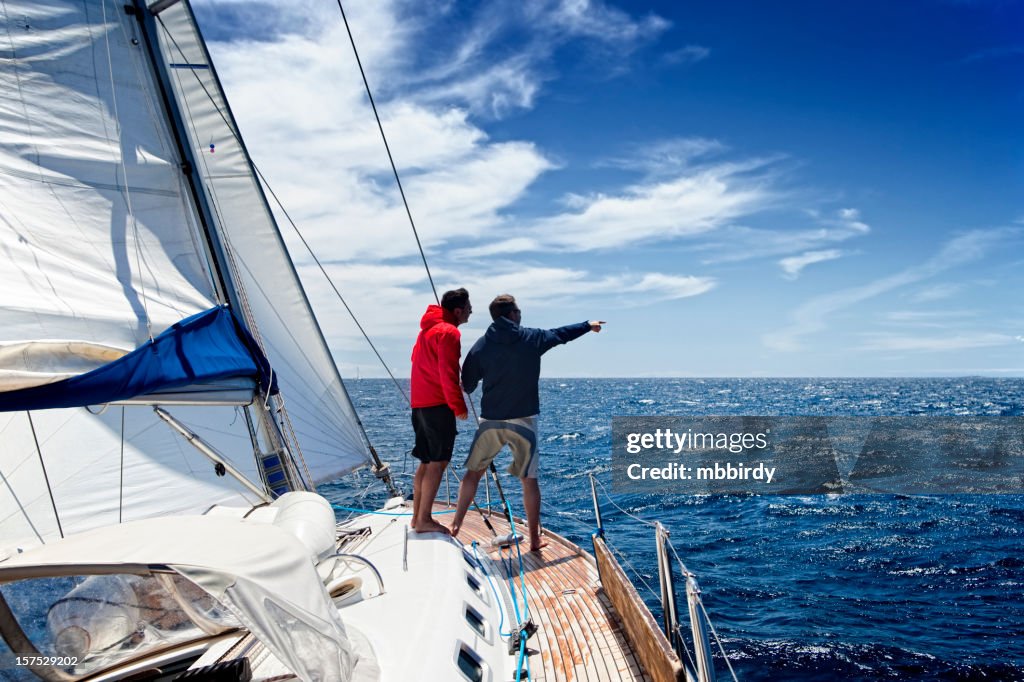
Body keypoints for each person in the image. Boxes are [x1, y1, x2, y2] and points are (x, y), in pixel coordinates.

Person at [449, 294, 603, 551]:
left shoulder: (481, 346)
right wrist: (587, 325)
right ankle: (533, 540)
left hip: (491, 421)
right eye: (518, 311)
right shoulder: (531, 338)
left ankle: (455, 525)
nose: (520, 315)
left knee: (473, 475)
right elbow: (560, 334)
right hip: (523, 419)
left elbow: (467, 385)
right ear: (511, 314)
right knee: (528, 480)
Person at [410, 288, 472, 534]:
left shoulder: (426, 331)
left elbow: (416, 361)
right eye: (468, 308)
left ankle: (417, 517)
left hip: (420, 405)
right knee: (438, 462)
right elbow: (448, 373)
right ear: (458, 310)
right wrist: (458, 406)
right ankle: (424, 519)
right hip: (438, 405)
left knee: (426, 462)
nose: (470, 312)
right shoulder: (449, 332)